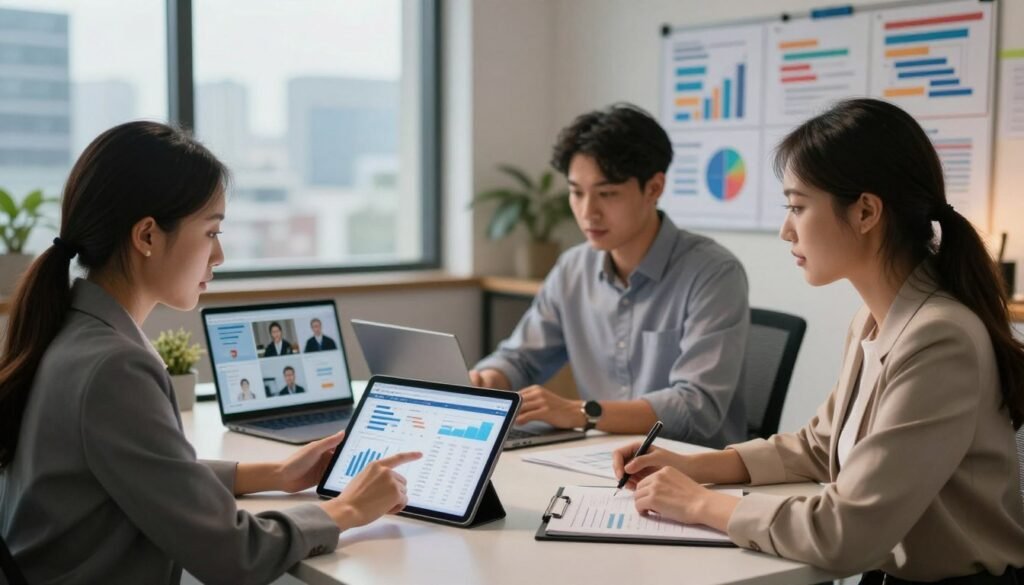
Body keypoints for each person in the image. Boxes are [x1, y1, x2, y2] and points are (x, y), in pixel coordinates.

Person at [611, 99, 1024, 583]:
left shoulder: (939, 338)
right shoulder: (873, 321)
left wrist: (700, 503)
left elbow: (844, 533)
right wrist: (690, 465)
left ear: (866, 211)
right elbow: (817, 446)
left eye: (797, 207)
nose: (787, 230)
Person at [0, 122, 421, 584]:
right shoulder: (113, 366)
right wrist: (349, 508)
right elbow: (233, 555)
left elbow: (150, 473)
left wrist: (275, 473)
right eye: (210, 232)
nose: (218, 255)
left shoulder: (72, 330)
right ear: (146, 236)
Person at [471, 103, 750, 447]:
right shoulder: (573, 268)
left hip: (692, 469)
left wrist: (583, 412)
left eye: (607, 194)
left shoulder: (713, 273)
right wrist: (489, 378)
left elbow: (697, 407)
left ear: (654, 188)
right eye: (576, 193)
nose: (588, 212)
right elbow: (521, 358)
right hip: (597, 460)